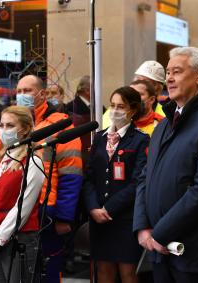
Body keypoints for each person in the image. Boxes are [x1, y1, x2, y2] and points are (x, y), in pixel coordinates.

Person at [133, 46, 198, 283]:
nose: (168, 78)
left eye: (177, 72)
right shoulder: (163, 126)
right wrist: (142, 227)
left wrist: (158, 233)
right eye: (168, 72)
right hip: (159, 251)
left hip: (196, 255)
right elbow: (145, 177)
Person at [16, 74, 83, 282]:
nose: (22, 96)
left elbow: (71, 174)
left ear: (42, 94)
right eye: (18, 91)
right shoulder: (13, 123)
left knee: (49, 270)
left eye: (27, 91)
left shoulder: (60, 125)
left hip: (47, 212)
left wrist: (63, 217)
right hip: (18, 211)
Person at [84, 86, 149, 283]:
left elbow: (138, 181)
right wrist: (93, 207)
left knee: (128, 272)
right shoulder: (99, 138)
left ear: (133, 110)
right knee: (103, 271)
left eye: (121, 106)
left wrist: (109, 208)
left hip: (124, 218)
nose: (114, 110)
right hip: (99, 219)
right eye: (112, 105)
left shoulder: (140, 140)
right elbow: (89, 177)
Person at [0, 106, 44, 282]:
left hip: (16, 239)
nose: (3, 130)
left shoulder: (33, 161)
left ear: (26, 129)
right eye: (2, 125)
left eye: (10, 126)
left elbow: (23, 207)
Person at [103, 61, 166, 129]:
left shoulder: (164, 116)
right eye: (138, 79)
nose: (138, 85)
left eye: (145, 82)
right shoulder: (114, 110)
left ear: (157, 89)